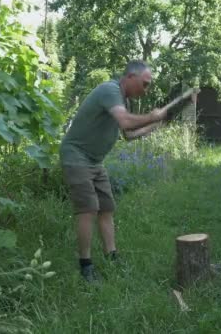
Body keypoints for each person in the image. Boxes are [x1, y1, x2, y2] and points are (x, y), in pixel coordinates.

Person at [60, 60, 183, 282]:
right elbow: (126, 123)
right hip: (76, 156)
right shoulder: (110, 90)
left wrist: (157, 125)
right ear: (130, 77)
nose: (146, 91)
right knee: (88, 209)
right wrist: (152, 116)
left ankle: (111, 256)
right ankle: (85, 265)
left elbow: (129, 135)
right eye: (144, 84)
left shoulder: (121, 101)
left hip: (95, 162)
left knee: (106, 208)